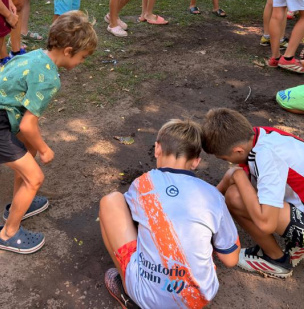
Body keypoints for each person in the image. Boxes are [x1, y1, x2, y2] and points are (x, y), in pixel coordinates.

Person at [0, 11, 98, 254]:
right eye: (83, 57)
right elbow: (28, 125)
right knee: (35, 177)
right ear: (68, 51)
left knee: (27, 150)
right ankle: (8, 234)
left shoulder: (35, 56)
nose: (82, 62)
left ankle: (20, 204)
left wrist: (34, 146)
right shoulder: (49, 78)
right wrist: (45, 149)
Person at [99, 119, 239, 309]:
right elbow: (231, 259)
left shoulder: (143, 184)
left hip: (148, 298)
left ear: (157, 148)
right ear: (196, 162)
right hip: (197, 299)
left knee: (111, 201)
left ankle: (127, 290)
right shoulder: (213, 195)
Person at [202, 109, 304, 279]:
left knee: (235, 197)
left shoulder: (266, 158)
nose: (227, 162)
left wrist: (237, 176)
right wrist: (207, 209)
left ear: (238, 151)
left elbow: (266, 224)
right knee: (239, 181)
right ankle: (294, 242)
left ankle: (276, 260)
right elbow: (231, 178)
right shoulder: (258, 136)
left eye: (224, 158)